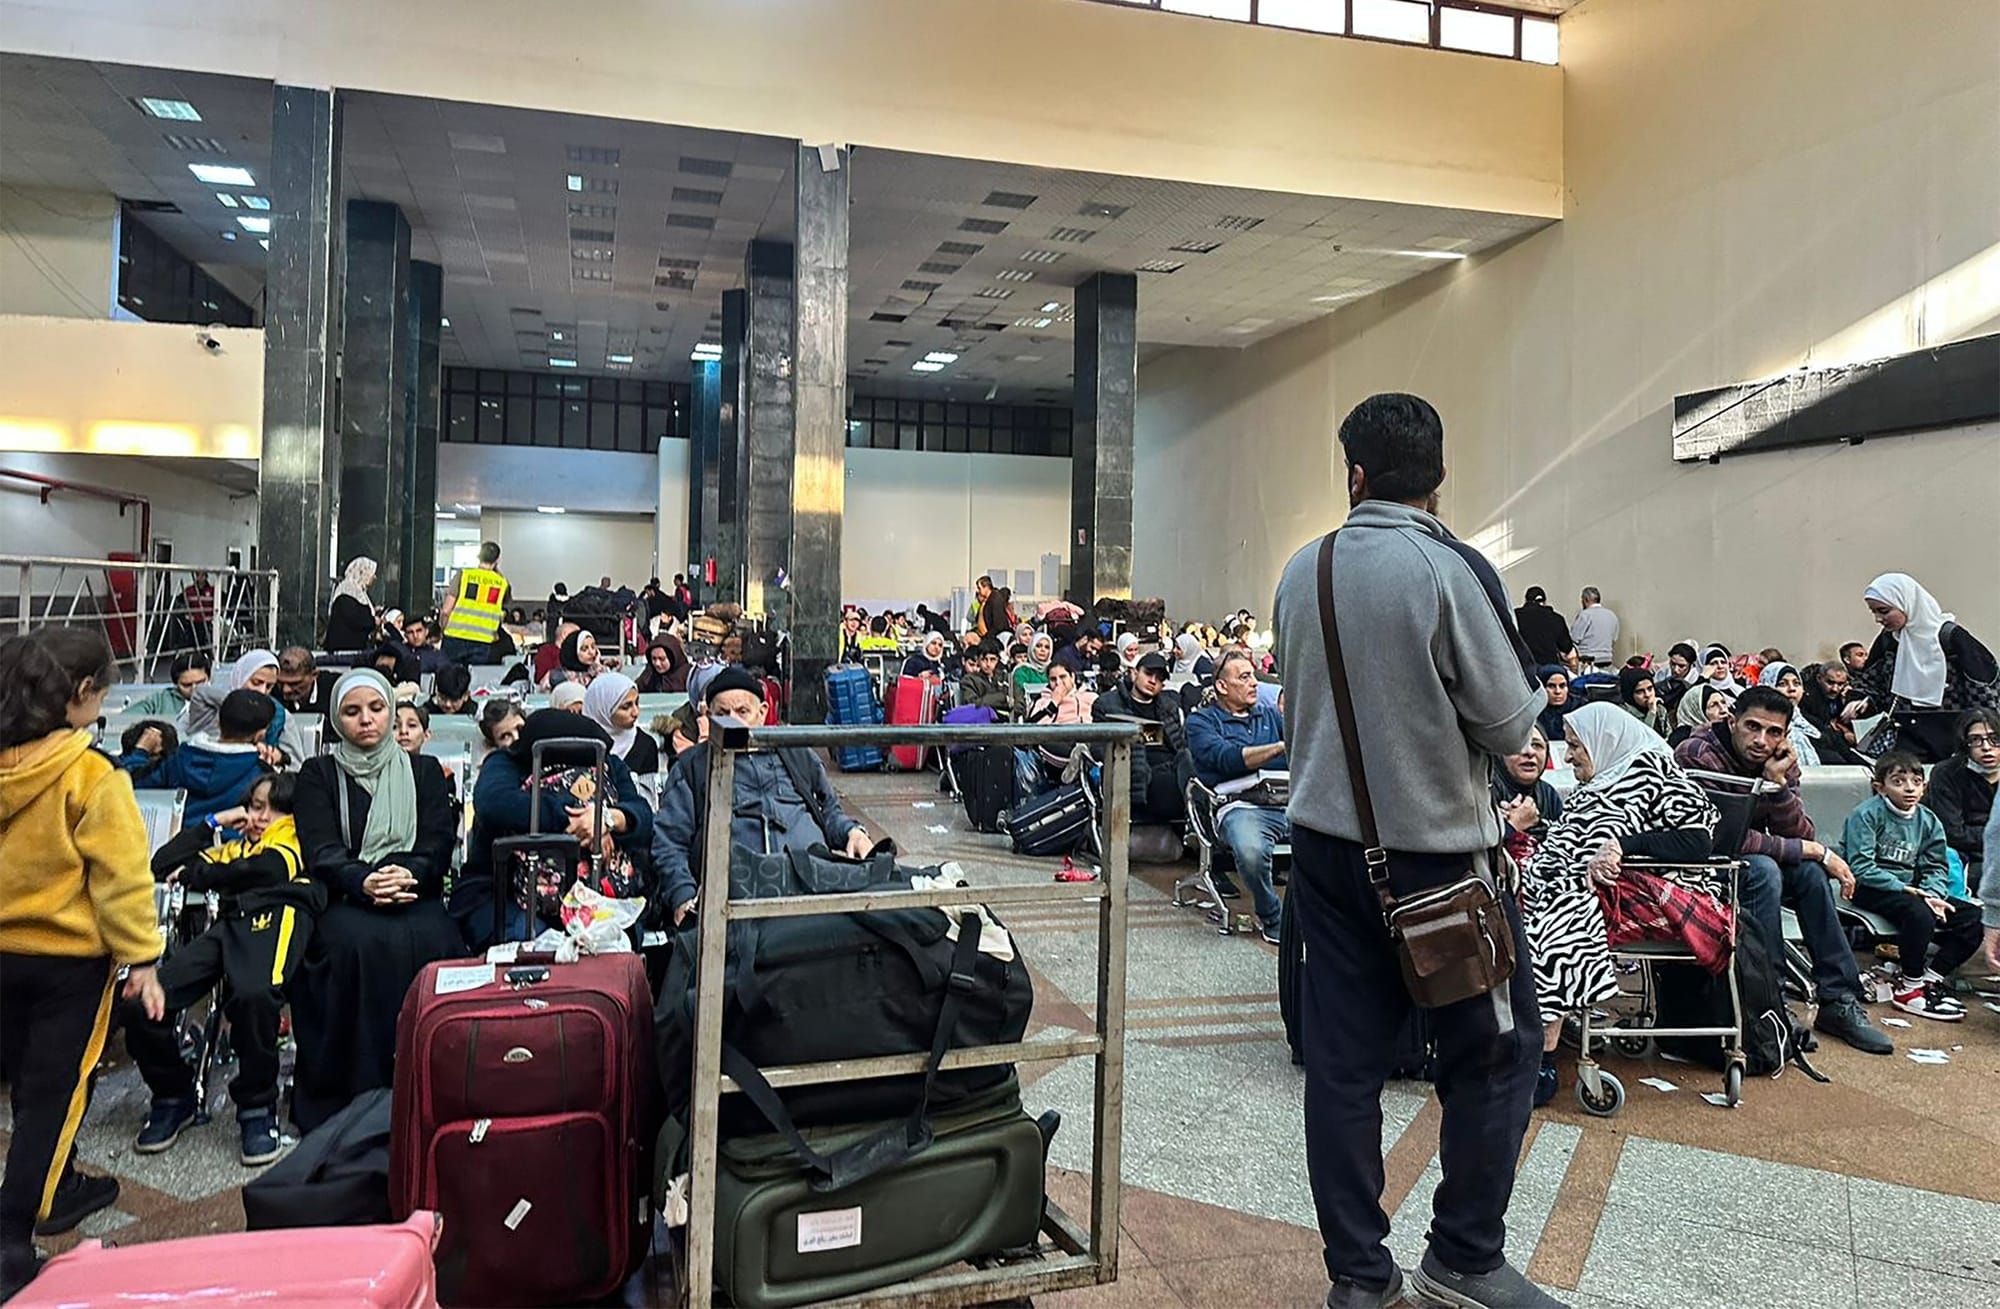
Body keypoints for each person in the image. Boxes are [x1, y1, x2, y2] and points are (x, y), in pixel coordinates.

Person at [1270, 393, 1553, 1309]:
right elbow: (1511, 721)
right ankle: (1464, 1255)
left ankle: (1360, 1277)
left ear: (1353, 473)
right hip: (1436, 862)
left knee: (1343, 1068)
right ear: (1437, 475)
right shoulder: (1448, 568)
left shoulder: (1300, 570)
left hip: (1322, 848)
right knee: (1499, 1050)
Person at [0, 629, 162, 1297]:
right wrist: (143, 959)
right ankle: (13, 1237)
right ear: (78, 695)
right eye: (101, 690)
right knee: (50, 1097)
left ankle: (49, 1188)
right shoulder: (90, 773)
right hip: (67, 965)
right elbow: (121, 877)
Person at [288, 669, 463, 1132]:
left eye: (376, 708)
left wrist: (407, 872)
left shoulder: (423, 770)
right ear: (335, 718)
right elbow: (320, 847)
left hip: (413, 890)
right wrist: (364, 880)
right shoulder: (318, 774)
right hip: (347, 895)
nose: (366, 720)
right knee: (352, 950)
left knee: (435, 942)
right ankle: (354, 1098)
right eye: (352, 712)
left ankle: (430, 1088)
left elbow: (437, 842)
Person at [1673, 686, 1892, 1055]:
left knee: (1809, 875)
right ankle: (1770, 1002)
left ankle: (1838, 998)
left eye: (1774, 732)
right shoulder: (1698, 754)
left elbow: (1799, 830)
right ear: (1731, 721)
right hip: (1699, 869)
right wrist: (1811, 850)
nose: (1761, 740)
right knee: (1765, 869)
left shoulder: (1781, 758)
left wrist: (1777, 787)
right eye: (1752, 727)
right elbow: (1716, 838)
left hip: (1751, 864)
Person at [1519, 704, 1718, 1106]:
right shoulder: (1598, 783)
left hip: (1613, 888)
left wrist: (1623, 846)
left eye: (1576, 746)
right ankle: (1499, 1036)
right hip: (1559, 874)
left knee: (1555, 918)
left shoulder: (1652, 770)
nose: (1569, 755)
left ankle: (1541, 1058)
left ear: (1604, 741)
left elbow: (1698, 839)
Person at [121, 772, 324, 1166]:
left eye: (275, 808)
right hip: (228, 925)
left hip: (276, 915)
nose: (263, 817)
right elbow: (163, 863)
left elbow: (269, 870)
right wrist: (214, 822)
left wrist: (201, 874)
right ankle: (174, 1095)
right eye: (257, 807)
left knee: (254, 997)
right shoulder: (233, 849)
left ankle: (255, 1107)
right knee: (141, 1000)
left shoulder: (295, 838)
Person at [651, 668, 873, 925]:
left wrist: (853, 832)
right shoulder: (692, 767)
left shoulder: (797, 755)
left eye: (742, 712)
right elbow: (669, 842)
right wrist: (683, 896)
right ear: (708, 717)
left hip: (813, 885)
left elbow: (829, 812)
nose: (732, 720)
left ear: (763, 712)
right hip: (733, 898)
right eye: (722, 714)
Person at [452, 708, 655, 948]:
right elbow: (494, 803)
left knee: (616, 943)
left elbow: (642, 814)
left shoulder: (607, 764)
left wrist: (606, 819)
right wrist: (576, 818)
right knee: (536, 945)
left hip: (601, 893)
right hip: (509, 897)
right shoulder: (507, 763)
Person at [1842, 751, 1981, 1021]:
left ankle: (1931, 979)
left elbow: (1936, 866)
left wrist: (1933, 894)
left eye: (1916, 782)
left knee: (1973, 918)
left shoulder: (1928, 820)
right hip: (1869, 887)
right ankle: (1909, 986)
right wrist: (1908, 890)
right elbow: (1861, 867)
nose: (1909, 788)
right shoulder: (1866, 815)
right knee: (1919, 913)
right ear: (1879, 787)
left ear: (1924, 786)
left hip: (1915, 890)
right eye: (1898, 781)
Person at [1186, 651, 1290, 945]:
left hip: (1287, 799)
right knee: (1251, 852)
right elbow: (1227, 759)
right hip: (1240, 807)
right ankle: (1272, 916)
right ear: (1221, 686)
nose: (1254, 683)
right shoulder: (1201, 722)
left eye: (1253, 675)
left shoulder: (1269, 715)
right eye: (1244, 677)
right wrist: (1279, 748)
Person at [1850, 573, 1999, 760]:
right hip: (1906, 735)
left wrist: (1980, 732)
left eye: (1884, 611)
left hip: (1953, 737)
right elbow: (1873, 681)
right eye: (1874, 612)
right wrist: (1860, 701)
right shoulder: (1889, 641)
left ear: (1907, 603)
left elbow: (1983, 688)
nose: (1878, 619)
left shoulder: (1951, 638)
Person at [120, 688, 278, 824]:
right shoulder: (260, 774)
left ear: (218, 722)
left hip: (177, 851)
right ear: (260, 735)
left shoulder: (178, 759)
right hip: (231, 853)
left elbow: (127, 781)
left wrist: (140, 751)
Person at [1092, 651, 1191, 829]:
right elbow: (1098, 747)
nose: (1153, 681)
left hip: (1174, 769)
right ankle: (1198, 823)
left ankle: (1199, 823)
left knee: (1191, 761)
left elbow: (1180, 745)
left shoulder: (1169, 707)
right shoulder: (1107, 704)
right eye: (1148, 674)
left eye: (1159, 678)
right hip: (1138, 774)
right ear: (1134, 672)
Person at [1925, 709, 1998, 900]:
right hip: (1963, 860)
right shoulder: (1946, 773)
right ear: (1964, 744)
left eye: (1994, 739)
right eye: (1976, 740)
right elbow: (1952, 833)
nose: (1986, 747)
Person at [1492, 726, 1562, 872]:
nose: (1529, 752)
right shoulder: (1484, 792)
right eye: (1518, 744)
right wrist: (1512, 826)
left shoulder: (1548, 794)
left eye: (1537, 745)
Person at [440, 541, 511, 664]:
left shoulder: (464, 575)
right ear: (498, 560)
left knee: (450, 678)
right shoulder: (503, 584)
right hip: (483, 641)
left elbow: (446, 610)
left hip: (455, 637)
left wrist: (443, 629)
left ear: (478, 556)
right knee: (475, 679)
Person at [585, 671, 661, 774]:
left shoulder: (645, 745)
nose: (636, 712)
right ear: (603, 709)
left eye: (637, 703)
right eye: (626, 707)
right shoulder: (582, 745)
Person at [1757, 662, 1822, 770]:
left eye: (1796, 683)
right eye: (1782, 684)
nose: (1792, 689)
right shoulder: (1764, 726)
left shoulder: (1811, 721)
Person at [1799, 661, 1863, 763]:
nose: (1835, 689)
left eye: (1840, 684)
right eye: (1830, 683)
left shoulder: (1842, 696)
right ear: (1819, 678)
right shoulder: (1806, 698)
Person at [1673, 644, 1744, 731]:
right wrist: (1704, 677)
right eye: (1713, 663)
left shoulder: (1739, 690)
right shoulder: (1700, 691)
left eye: (1723, 662)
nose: (1720, 666)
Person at [122, 650, 213, 718]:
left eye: (200, 682)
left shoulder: (220, 700)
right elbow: (128, 718)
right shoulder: (160, 701)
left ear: (209, 678)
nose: (194, 689)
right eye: (186, 685)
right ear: (176, 684)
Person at [323, 556, 378, 652]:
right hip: (345, 652)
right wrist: (373, 621)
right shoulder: (347, 593)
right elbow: (356, 619)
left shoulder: (359, 592)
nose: (374, 577)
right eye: (371, 573)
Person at [1513, 587, 1575, 668]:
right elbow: (1566, 647)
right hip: (1549, 666)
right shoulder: (1556, 618)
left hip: (1523, 666)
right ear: (1544, 602)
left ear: (1526, 600)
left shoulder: (1515, 616)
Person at [274, 646, 339, 716]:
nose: (285, 690)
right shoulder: (268, 690)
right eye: (280, 683)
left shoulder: (337, 690)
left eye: (295, 683)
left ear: (314, 675)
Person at [1568, 588, 1618, 669]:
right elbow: (1614, 638)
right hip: (1607, 659)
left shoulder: (1585, 615)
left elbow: (1574, 638)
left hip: (1587, 660)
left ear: (1586, 600)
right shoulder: (1612, 615)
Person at [958, 642, 1012, 717]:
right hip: (983, 723)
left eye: (992, 659)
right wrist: (1002, 698)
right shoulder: (969, 680)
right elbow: (973, 704)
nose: (988, 664)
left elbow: (1017, 701)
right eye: (984, 659)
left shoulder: (1005, 677)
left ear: (998, 660)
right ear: (978, 660)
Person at [1616, 666, 1670, 737]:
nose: (1647, 695)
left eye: (1650, 689)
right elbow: (1641, 740)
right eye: (1640, 692)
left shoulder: (1660, 709)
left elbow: (1668, 736)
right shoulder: (1623, 714)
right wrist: (1651, 713)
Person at [1011, 632, 1054, 715]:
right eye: (1038, 646)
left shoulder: (1054, 669)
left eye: (1047, 647)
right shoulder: (1022, 670)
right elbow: (1020, 696)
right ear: (1032, 648)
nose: (1043, 650)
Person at [1653, 642, 1699, 718]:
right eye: (1673, 664)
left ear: (1691, 665)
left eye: (1681, 666)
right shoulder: (1662, 673)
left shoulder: (1696, 680)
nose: (1675, 669)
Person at [1536, 665, 1574, 742]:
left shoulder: (1578, 707)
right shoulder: (1534, 710)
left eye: (1562, 686)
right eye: (1551, 686)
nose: (1557, 691)